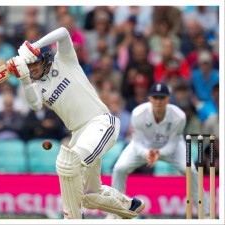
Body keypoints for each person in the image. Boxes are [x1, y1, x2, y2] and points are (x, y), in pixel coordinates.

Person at [8, 27, 144, 219]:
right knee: (89, 195)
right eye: (29, 69)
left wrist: (36, 45)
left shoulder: (65, 61)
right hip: (79, 133)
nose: (33, 71)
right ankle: (130, 207)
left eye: (35, 65)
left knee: (68, 163)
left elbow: (63, 32)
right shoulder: (37, 87)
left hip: (101, 123)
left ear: (43, 59)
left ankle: (72, 219)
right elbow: (35, 105)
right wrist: (24, 80)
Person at [111, 82, 210, 218]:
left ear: (168, 100)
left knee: (191, 170)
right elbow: (137, 142)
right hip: (143, 147)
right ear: (150, 99)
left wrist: (158, 153)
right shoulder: (138, 113)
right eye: (155, 97)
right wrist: (147, 153)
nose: (158, 101)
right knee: (119, 168)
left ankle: (204, 213)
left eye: (162, 98)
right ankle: (115, 212)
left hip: (171, 148)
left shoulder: (179, 116)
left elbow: (173, 144)